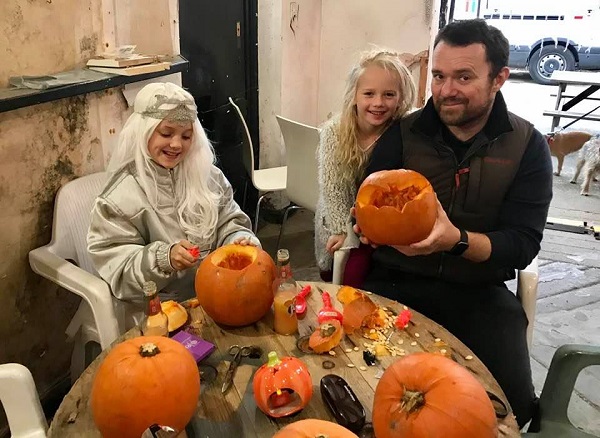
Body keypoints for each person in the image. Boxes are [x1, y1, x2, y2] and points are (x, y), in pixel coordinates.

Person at [355, 20, 553, 428]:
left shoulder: (527, 146)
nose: (446, 91)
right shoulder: (403, 133)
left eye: (464, 77)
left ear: (499, 78)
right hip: (396, 280)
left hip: (479, 291)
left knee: (509, 408)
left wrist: (456, 241)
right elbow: (368, 200)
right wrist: (366, 228)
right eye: (440, 76)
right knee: (355, 388)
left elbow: (522, 244)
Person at [87, 82, 259, 304]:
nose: (176, 144)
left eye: (186, 136)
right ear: (144, 132)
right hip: (159, 307)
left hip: (221, 292)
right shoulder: (120, 197)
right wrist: (163, 258)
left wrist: (238, 239)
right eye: (166, 133)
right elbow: (118, 269)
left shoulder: (209, 176)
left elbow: (229, 219)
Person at [315, 49, 416, 286]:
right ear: (354, 96)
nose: (378, 103)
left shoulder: (404, 129)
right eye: (369, 94)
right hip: (339, 218)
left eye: (389, 94)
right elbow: (334, 189)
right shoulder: (334, 133)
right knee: (343, 275)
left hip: (381, 226)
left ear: (401, 98)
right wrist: (343, 230)